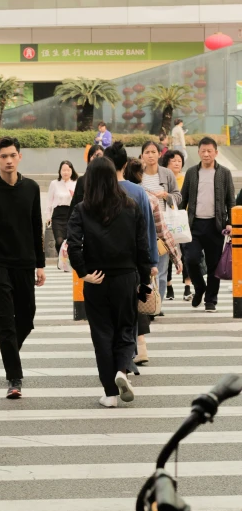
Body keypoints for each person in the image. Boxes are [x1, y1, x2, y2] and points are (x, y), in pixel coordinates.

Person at [67, 156, 151, 408]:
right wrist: (144, 280)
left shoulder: (82, 209)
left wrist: (83, 272)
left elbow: (73, 245)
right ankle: (122, 372)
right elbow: (142, 247)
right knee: (126, 329)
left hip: (97, 280)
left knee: (102, 334)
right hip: (126, 277)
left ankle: (110, 394)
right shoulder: (131, 206)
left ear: (91, 180)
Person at [0, 136, 46, 399]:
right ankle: (14, 378)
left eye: (12, 155)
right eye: (3, 156)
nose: (8, 160)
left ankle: (9, 350)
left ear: (19, 157)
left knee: (27, 317)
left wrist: (40, 264)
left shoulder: (30, 188)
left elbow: (36, 226)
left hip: (25, 263)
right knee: (5, 321)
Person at [104, 143, 158, 371]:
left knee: (111, 313)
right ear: (125, 165)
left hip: (106, 263)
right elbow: (148, 230)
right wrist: (152, 262)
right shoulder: (138, 193)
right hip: (134, 263)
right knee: (131, 308)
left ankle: (121, 359)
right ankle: (131, 354)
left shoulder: (100, 192)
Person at [125, 158, 182, 363]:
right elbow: (161, 231)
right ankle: (140, 347)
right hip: (142, 261)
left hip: (117, 261)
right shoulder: (148, 197)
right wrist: (176, 257)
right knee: (138, 300)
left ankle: (127, 350)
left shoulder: (110, 196)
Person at [180, 136, 235, 312]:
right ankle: (199, 287)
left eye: (209, 151)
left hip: (216, 225)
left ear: (216, 152)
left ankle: (211, 299)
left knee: (214, 264)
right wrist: (179, 221)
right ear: (198, 153)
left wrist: (230, 223)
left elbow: (230, 201)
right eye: (202, 151)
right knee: (191, 259)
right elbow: (183, 199)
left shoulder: (224, 173)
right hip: (194, 225)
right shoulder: (191, 173)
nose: (206, 154)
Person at [140, 140, 182, 304]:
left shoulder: (167, 174)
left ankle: (158, 304)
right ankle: (144, 304)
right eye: (147, 152)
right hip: (142, 228)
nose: (150, 155)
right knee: (144, 271)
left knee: (162, 271)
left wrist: (166, 195)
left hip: (163, 229)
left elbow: (178, 197)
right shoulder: (137, 174)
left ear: (159, 154)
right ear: (142, 155)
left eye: (153, 152)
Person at [161, 149, 193, 301]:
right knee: (166, 252)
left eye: (179, 161)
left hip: (182, 221)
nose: (177, 163)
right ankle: (169, 286)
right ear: (167, 162)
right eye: (173, 160)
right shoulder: (163, 179)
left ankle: (187, 286)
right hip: (166, 221)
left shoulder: (185, 178)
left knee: (186, 254)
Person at [45, 160, 78, 254]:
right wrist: (48, 216)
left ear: (72, 171)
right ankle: (61, 258)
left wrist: (73, 196)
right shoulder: (54, 183)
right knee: (59, 241)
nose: (65, 172)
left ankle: (67, 262)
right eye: (63, 170)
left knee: (69, 242)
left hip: (71, 215)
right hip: (58, 216)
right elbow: (49, 200)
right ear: (60, 171)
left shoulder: (76, 183)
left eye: (68, 170)